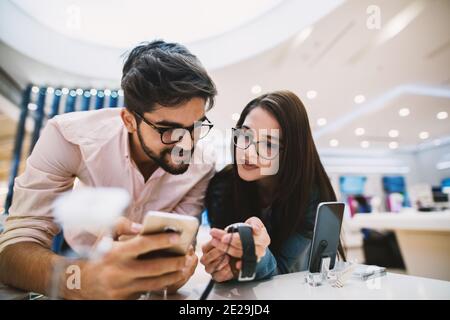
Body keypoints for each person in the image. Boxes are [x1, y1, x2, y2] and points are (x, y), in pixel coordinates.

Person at [0, 40, 217, 299]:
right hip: (79, 257)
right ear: (129, 120)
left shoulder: (203, 165)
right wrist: (83, 280)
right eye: (168, 130)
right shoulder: (70, 137)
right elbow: (11, 252)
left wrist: (176, 270)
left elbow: (181, 248)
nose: (187, 143)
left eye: (195, 126)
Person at [201, 90, 345, 282]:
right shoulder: (222, 185)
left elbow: (288, 277)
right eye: (245, 136)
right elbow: (227, 262)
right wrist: (222, 262)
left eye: (269, 144)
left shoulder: (310, 197)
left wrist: (256, 257)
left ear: (292, 152)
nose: (248, 152)